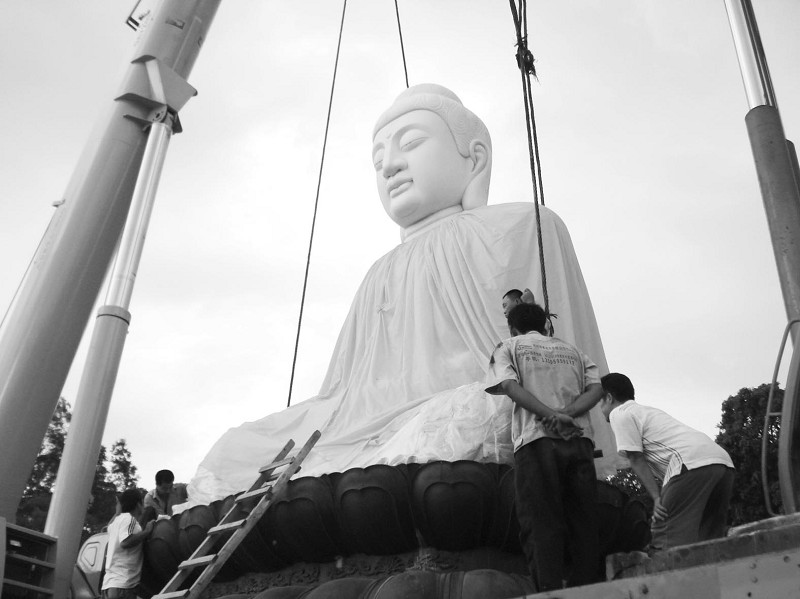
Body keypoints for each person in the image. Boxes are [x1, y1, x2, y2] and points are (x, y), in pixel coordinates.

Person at [190, 84, 619, 503]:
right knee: (237, 452)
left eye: (411, 142)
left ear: (474, 158)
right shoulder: (380, 270)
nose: (390, 166)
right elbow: (346, 391)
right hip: (366, 425)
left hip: (489, 409)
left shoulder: (522, 225)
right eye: (378, 159)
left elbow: (558, 361)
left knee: (448, 431)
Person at [485, 302, 603, 591]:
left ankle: (549, 592)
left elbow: (511, 388)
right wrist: (567, 414)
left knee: (540, 522)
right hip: (578, 441)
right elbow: (597, 389)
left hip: (536, 442)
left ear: (512, 327)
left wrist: (550, 416)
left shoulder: (508, 346)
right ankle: (589, 592)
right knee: (584, 522)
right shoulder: (572, 350)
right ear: (545, 324)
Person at [600, 372, 735, 551]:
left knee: (665, 534)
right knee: (709, 538)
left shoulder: (620, 413)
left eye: (599, 402)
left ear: (609, 398)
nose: (600, 409)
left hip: (691, 463)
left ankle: (669, 577)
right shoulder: (648, 411)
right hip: (722, 462)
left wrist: (657, 498)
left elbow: (635, 458)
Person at [102, 488, 154, 598]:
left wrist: (117, 512)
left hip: (109, 585)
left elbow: (108, 526)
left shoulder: (116, 522)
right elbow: (125, 543)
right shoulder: (129, 519)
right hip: (123, 585)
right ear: (138, 504)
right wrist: (147, 532)